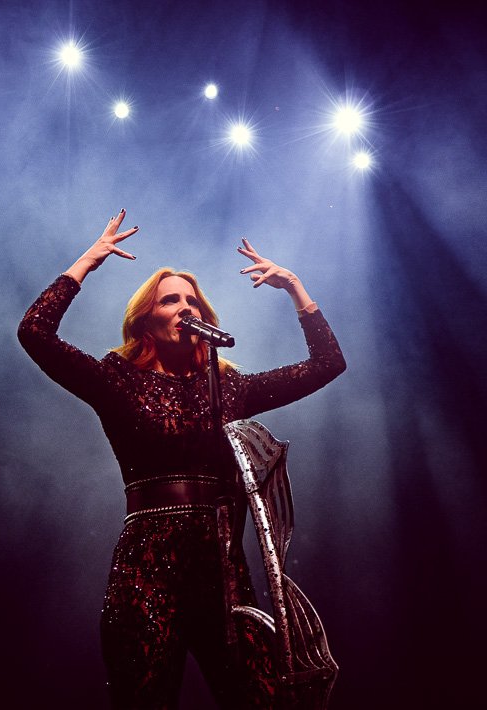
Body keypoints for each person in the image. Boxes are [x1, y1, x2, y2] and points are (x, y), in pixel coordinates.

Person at [18, 209, 345, 708]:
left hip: (223, 568)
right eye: (171, 299)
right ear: (145, 318)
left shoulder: (229, 387)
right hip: (148, 566)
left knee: (260, 700)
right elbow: (35, 332)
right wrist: (86, 262)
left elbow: (327, 364)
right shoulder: (117, 379)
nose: (185, 307)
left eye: (192, 301)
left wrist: (295, 288)